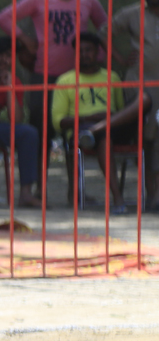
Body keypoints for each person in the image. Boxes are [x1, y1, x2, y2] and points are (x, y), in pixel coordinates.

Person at [0, 0, 107, 139]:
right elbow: (3, 18)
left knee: (77, 128)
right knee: (40, 126)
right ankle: (40, 160)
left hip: (78, 75)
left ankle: (74, 158)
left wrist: (99, 57)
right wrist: (24, 39)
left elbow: (106, 29)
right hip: (44, 73)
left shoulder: (88, 1)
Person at [52, 32, 126, 211]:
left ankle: (117, 199)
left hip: (112, 127)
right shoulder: (65, 80)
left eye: (89, 50)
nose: (84, 54)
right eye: (80, 51)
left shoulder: (112, 77)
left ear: (98, 52)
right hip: (80, 130)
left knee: (105, 133)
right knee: (102, 137)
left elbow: (122, 111)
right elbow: (58, 121)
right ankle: (118, 199)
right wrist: (89, 118)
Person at [109, 0, 159, 211]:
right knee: (149, 137)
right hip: (140, 86)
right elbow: (104, 33)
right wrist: (119, 58)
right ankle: (153, 195)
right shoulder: (132, 14)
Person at [0, 36, 42, 207]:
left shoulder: (13, 80)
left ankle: (26, 194)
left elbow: (16, 119)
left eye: (8, 56)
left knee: (29, 133)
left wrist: (9, 86)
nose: (4, 60)